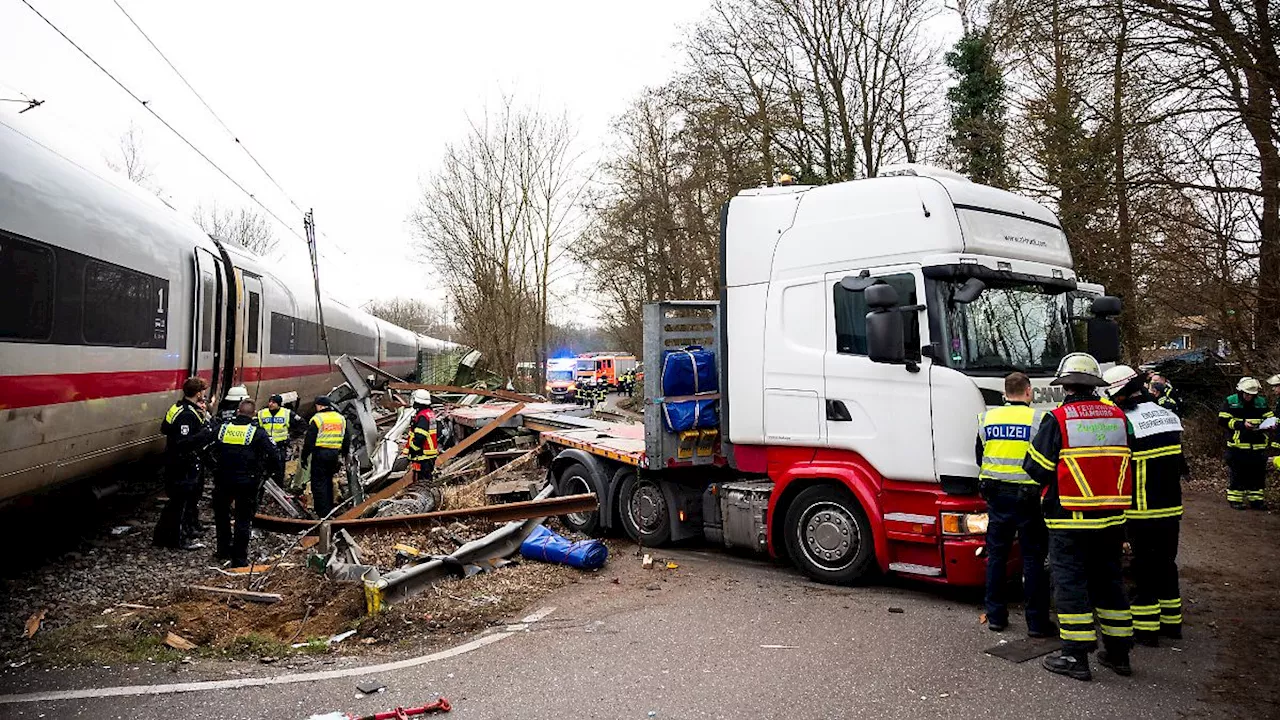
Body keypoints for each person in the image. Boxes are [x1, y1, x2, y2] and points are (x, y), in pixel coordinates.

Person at [1024, 353, 1134, 681]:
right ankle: (1118, 654)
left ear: (1066, 385)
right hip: (1112, 518)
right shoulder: (1118, 417)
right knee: (1110, 582)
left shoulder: (1058, 419)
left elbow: (1036, 468)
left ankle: (1075, 656)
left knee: (1070, 583)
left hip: (1070, 519)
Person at [1104, 365, 1187, 645]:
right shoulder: (1167, 415)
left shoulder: (1126, 422)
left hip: (1143, 508)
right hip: (1171, 507)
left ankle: (1146, 629)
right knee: (1166, 563)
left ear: (1122, 394)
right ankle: (1172, 623)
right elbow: (1182, 465)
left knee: (1144, 567)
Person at [976, 372, 1053, 637]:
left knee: (996, 556)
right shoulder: (1039, 419)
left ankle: (996, 617)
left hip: (995, 495)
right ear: (1028, 392)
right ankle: (1037, 623)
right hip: (1028, 497)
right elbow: (1046, 460)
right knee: (1032, 558)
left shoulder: (987, 418)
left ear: (1005, 393)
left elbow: (981, 455)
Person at [212, 398, 280, 567]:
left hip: (223, 479)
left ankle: (222, 550)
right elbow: (274, 455)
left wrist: (214, 467)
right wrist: (266, 473)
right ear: (254, 414)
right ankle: (239, 559)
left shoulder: (222, 428)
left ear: (237, 412)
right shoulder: (257, 432)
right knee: (243, 519)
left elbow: (206, 447)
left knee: (222, 516)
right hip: (247, 482)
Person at [155, 377, 214, 551]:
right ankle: (177, 539)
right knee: (179, 503)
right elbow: (184, 442)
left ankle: (178, 532)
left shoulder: (177, 408)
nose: (204, 394)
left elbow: (165, 428)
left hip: (177, 461)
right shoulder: (188, 414)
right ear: (198, 393)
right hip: (182, 463)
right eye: (203, 391)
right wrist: (205, 433)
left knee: (182, 501)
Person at [1218, 377, 1271, 509]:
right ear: (1241, 391)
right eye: (1246, 394)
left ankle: (1256, 500)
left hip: (1258, 444)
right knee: (1238, 473)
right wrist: (1241, 424)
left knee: (1257, 474)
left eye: (1252, 395)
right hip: (1238, 445)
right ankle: (1236, 499)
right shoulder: (1231, 401)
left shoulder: (1261, 402)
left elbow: (1269, 416)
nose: (1248, 397)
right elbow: (1223, 420)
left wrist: (1270, 424)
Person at [300, 396, 349, 518]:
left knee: (318, 482)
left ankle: (322, 512)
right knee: (328, 480)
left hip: (320, 454)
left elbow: (309, 440)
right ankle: (329, 507)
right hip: (334, 454)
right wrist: (344, 454)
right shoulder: (340, 418)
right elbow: (346, 438)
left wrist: (304, 457)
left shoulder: (317, 419)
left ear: (320, 406)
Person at [257, 394, 301, 487]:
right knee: (263, 469)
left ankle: (278, 488)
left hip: (280, 446)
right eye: (270, 402)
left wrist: (292, 435)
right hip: (265, 446)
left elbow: (302, 424)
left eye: (274, 402)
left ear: (279, 404)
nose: (270, 404)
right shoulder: (262, 413)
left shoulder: (287, 413)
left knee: (279, 469)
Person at [406, 389, 440, 484]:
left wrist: (413, 450)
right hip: (429, 454)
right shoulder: (429, 414)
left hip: (423, 455)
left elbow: (420, 437)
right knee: (426, 480)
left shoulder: (422, 417)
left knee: (423, 482)